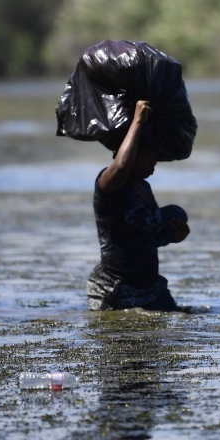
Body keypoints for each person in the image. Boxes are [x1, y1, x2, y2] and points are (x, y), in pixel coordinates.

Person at [86, 99, 190, 311]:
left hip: (151, 288)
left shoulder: (144, 189)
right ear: (130, 154)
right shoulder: (108, 184)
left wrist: (174, 236)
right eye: (147, 156)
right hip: (116, 289)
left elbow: (144, 235)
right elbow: (122, 165)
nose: (154, 162)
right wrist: (137, 121)